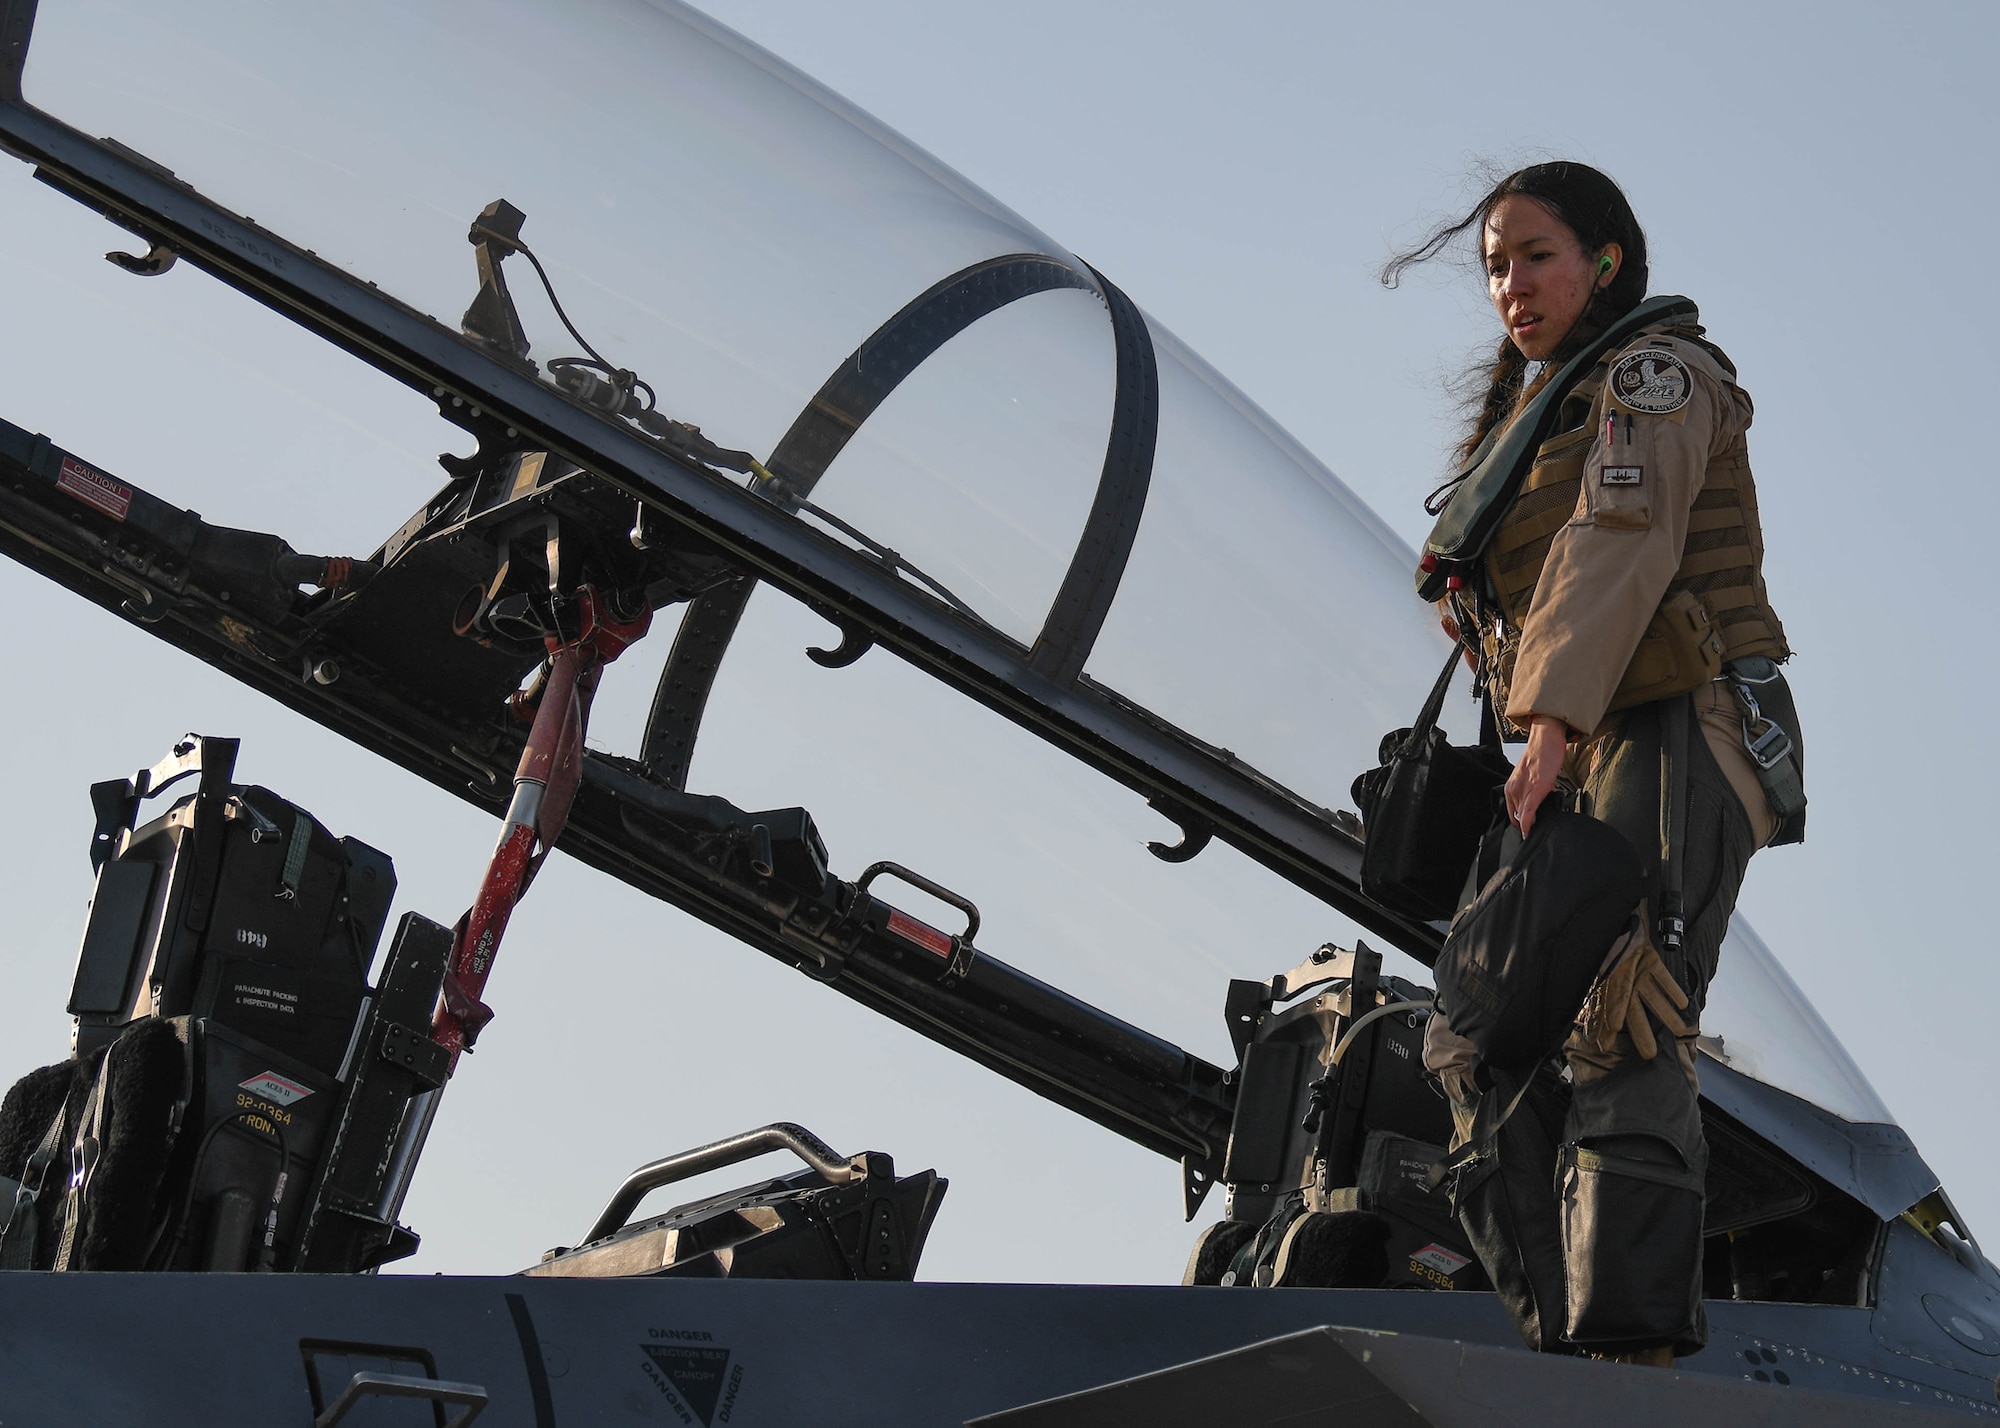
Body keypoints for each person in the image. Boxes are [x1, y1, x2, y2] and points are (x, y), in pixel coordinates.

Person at [1383, 162, 1805, 1365]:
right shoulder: (1542, 418)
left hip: (1678, 725)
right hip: (1581, 747)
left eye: (1534, 256)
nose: (1510, 287)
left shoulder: (1652, 379)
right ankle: (1558, 1342)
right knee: (1465, 1034)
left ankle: (1628, 1359)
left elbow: (1618, 540)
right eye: (1494, 268)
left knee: (1627, 1017)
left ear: (1604, 262)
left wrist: (1553, 721)